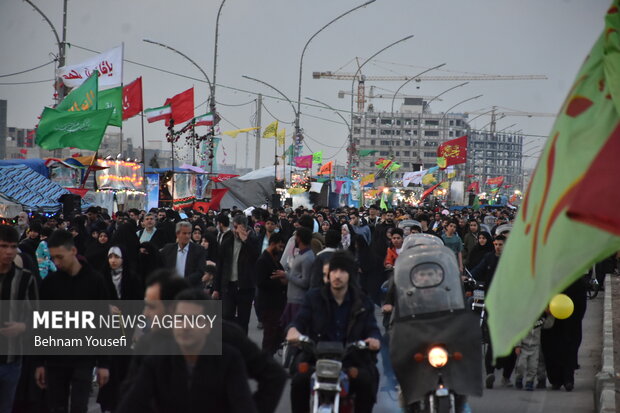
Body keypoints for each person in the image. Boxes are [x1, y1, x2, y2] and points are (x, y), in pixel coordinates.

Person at [117, 289, 258, 413]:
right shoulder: (157, 359)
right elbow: (131, 404)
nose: (185, 326)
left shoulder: (229, 360)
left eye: (193, 319)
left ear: (208, 325)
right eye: (180, 319)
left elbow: (244, 406)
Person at [286, 252, 381, 413]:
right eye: (334, 271)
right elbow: (300, 320)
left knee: (366, 381)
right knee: (299, 381)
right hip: (316, 359)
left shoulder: (362, 301)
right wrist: (293, 331)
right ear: (328, 274)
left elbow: (371, 327)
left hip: (351, 360)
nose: (338, 275)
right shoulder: (313, 297)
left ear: (350, 275)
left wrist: (374, 339)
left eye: (343, 271)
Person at [35, 229, 110, 413]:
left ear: (73, 251)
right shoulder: (50, 283)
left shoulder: (95, 281)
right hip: (55, 359)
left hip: (84, 357)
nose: (57, 263)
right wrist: (39, 362)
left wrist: (104, 364)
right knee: (56, 406)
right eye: (54, 258)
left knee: (79, 405)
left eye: (60, 257)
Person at [0, 225, 38, 413]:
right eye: (4, 246)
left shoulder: (25, 279)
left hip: (12, 359)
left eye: (13, 247)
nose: (9, 252)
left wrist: (23, 326)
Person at [213, 214, 260, 334]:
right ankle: (228, 344)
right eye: (234, 227)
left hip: (245, 287)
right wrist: (216, 288)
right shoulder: (227, 241)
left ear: (245, 227)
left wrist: (246, 241)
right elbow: (220, 265)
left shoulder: (253, 240)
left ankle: (242, 346)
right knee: (226, 316)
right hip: (228, 286)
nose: (235, 230)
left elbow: (256, 258)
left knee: (244, 320)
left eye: (238, 227)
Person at [255, 233, 287, 354]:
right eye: (279, 246)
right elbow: (261, 282)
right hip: (268, 305)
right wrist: (280, 282)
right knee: (269, 336)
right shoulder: (263, 261)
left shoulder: (274, 260)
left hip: (277, 304)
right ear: (273, 244)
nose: (281, 249)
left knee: (275, 335)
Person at [277, 227, 315, 328]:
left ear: (298, 238)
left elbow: (305, 282)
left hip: (299, 301)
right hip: (292, 299)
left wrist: (286, 275)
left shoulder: (307, 257)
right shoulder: (301, 254)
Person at [160, 221, 207, 286]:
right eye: (184, 233)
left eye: (189, 233)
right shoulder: (168, 249)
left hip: (191, 288)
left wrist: (183, 282)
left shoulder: (199, 250)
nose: (187, 236)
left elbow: (200, 271)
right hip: (171, 287)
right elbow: (162, 268)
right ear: (177, 234)